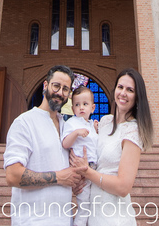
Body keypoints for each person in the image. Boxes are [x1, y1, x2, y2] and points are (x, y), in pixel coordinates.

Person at [3, 65, 87, 226]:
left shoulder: (66, 126)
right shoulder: (25, 122)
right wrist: (59, 178)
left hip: (63, 219)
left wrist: (74, 182)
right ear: (46, 85)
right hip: (32, 220)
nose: (60, 92)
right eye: (56, 86)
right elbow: (12, 175)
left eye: (65, 89)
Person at [86, 69, 152, 226]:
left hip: (115, 215)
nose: (123, 93)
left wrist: (87, 173)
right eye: (120, 87)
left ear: (137, 97)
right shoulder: (104, 122)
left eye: (130, 90)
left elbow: (123, 187)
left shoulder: (133, 131)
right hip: (94, 209)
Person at [61, 86, 99, 226]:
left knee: (92, 204)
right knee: (84, 205)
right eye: (77, 104)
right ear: (72, 109)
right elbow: (65, 143)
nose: (81, 107)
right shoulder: (72, 123)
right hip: (80, 170)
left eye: (85, 104)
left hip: (94, 170)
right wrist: (76, 133)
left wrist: (95, 131)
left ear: (93, 108)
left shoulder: (91, 125)